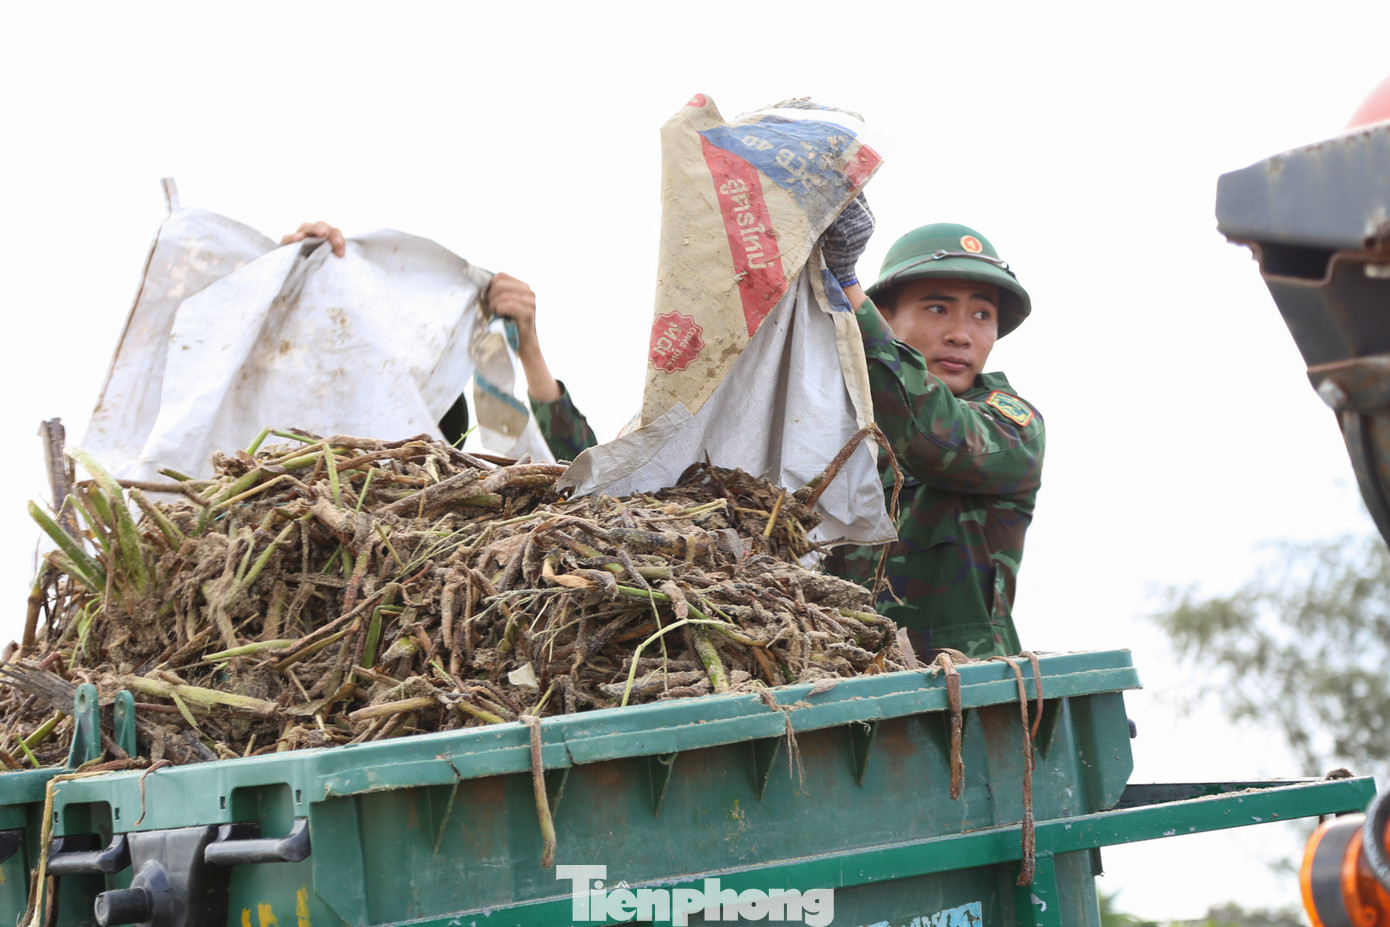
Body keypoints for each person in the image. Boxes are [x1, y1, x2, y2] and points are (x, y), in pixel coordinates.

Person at [821, 207, 1044, 660]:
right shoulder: (832, 428)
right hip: (836, 691)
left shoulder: (1011, 425)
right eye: (938, 308)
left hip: (969, 699)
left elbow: (935, 436)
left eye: (982, 315)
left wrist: (846, 283)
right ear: (885, 315)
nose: (962, 334)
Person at [279, 222, 596, 459]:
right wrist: (285, 295)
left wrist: (529, 349)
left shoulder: (479, 516)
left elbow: (581, 479)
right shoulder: (304, 468)